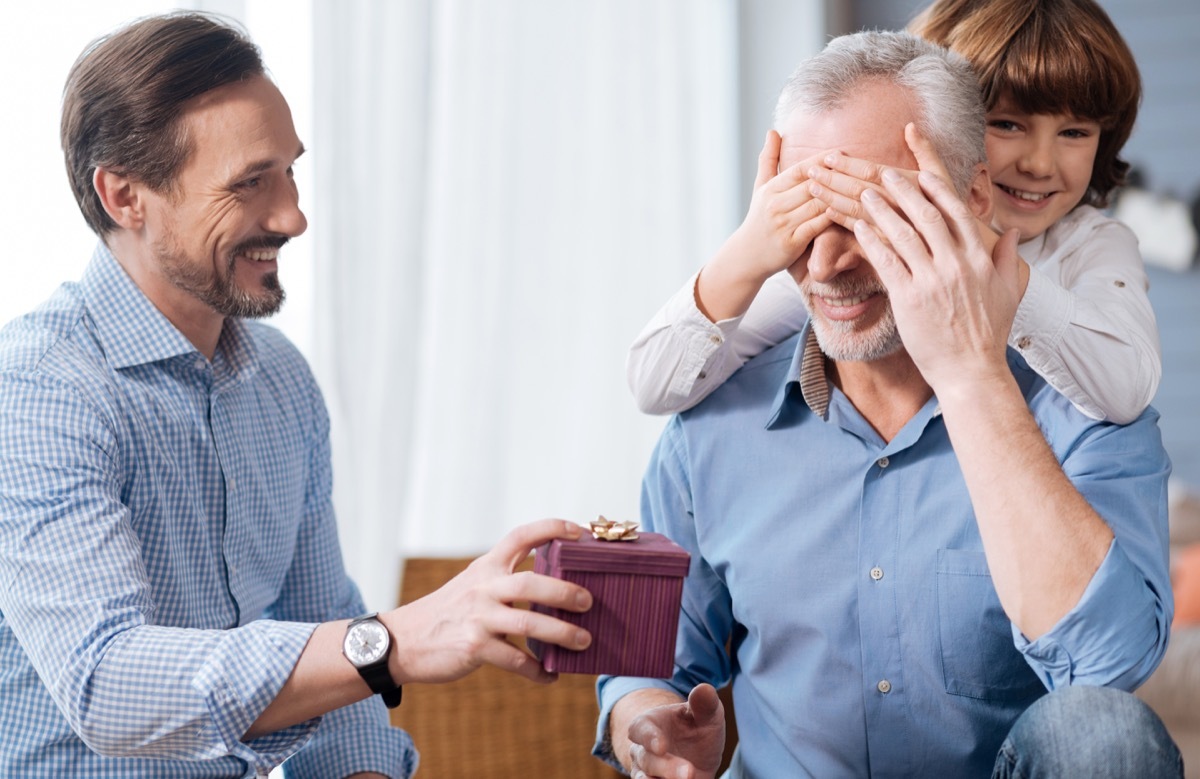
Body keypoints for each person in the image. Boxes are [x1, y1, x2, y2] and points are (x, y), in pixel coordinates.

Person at [0, 12, 593, 778]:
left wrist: (364, 763)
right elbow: (108, 687)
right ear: (124, 195)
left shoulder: (278, 379)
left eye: (290, 171)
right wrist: (389, 640)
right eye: (249, 182)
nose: (292, 216)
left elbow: (323, 635)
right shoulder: (39, 389)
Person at [595, 31, 1179, 778]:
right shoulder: (714, 418)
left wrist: (972, 378)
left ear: (972, 202)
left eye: (875, 215)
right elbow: (649, 667)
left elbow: (1108, 667)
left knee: (1104, 733)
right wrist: (648, 724)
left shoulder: (1082, 401)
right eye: (806, 218)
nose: (831, 265)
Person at [626, 0, 1158, 427]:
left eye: (1075, 132)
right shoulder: (841, 264)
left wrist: (968, 241)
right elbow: (656, 385)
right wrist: (748, 251)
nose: (1040, 164)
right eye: (1007, 125)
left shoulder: (1092, 243)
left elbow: (1126, 390)